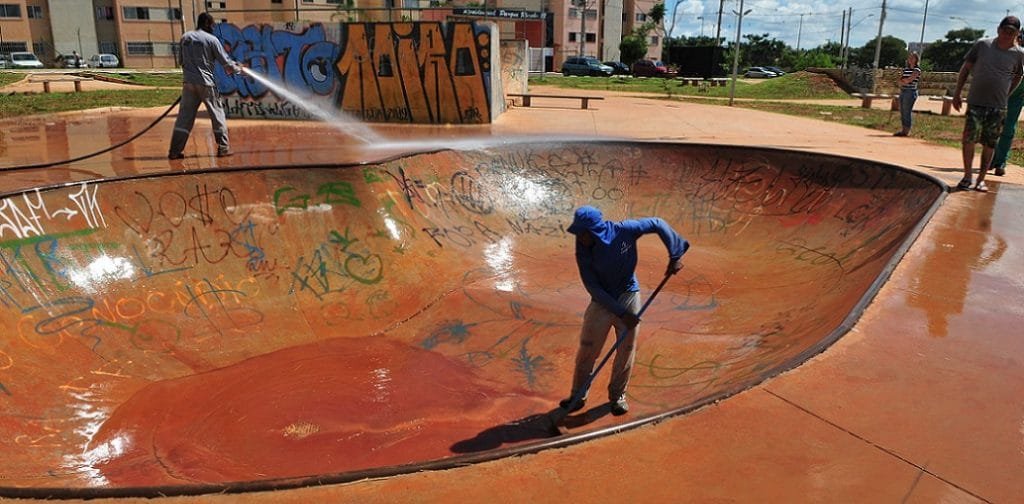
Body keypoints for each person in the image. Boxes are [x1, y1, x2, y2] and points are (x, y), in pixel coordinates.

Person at [560, 206, 689, 416]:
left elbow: (657, 223)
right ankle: (578, 395)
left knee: (626, 350)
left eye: (583, 232)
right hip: (602, 300)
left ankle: (618, 396)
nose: (579, 237)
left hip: (628, 293)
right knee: (587, 348)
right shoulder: (583, 248)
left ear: (595, 230)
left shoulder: (625, 230)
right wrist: (621, 313)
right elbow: (592, 285)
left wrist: (675, 254)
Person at [952, 15, 1024, 192]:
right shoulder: (983, 45)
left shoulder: (1019, 54)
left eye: (1011, 32)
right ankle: (967, 176)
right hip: (976, 102)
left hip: (998, 106)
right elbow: (966, 68)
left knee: (990, 143)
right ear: (998, 29)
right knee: (968, 139)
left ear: (1016, 34)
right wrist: (957, 93)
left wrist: (1007, 94)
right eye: (1004, 30)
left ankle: (981, 180)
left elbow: (1018, 75)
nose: (1007, 35)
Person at [168, 12, 243, 160]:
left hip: (188, 84)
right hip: (207, 84)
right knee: (217, 115)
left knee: (184, 118)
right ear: (207, 24)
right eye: (213, 24)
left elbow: (181, 61)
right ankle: (223, 148)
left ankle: (175, 151)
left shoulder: (185, 37)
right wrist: (239, 69)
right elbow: (226, 62)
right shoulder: (211, 40)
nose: (214, 27)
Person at [991, 31, 1024, 176]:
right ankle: (992, 158)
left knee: (1008, 128)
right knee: (994, 126)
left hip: (1017, 96)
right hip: (1000, 92)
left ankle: (1000, 161)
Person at [894, 52, 922, 137]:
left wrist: (904, 81)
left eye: (912, 58)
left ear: (916, 59)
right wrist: (903, 81)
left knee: (907, 110)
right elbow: (900, 81)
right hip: (903, 90)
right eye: (909, 58)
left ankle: (907, 131)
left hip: (910, 91)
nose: (910, 59)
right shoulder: (906, 69)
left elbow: (909, 80)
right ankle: (903, 130)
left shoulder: (917, 70)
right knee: (902, 110)